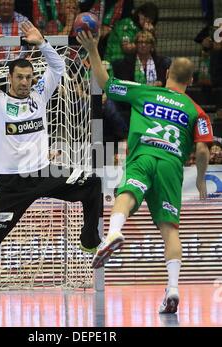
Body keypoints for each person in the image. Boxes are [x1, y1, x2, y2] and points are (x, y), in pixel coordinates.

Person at [0, 19, 102, 305]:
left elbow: (57, 68)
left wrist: (42, 43)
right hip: (12, 184)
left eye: (29, 77)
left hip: (42, 172)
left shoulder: (40, 95)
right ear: (10, 78)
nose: (25, 81)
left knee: (92, 182)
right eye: (20, 77)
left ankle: (89, 239)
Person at [76, 31, 213, 314]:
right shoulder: (197, 111)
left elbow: (106, 83)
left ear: (166, 74)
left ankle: (114, 233)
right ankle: (173, 289)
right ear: (190, 81)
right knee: (170, 230)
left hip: (144, 155)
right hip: (171, 165)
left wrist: (92, 49)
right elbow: (202, 151)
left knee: (126, 193)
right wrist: (200, 181)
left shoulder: (146, 91)